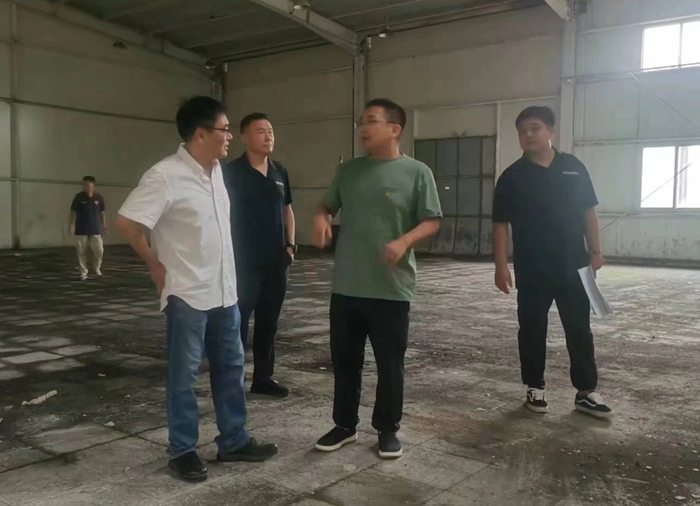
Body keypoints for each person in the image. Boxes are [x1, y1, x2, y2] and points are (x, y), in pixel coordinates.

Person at [115, 96, 277, 483]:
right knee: (184, 376)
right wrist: (154, 263)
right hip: (187, 292)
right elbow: (127, 222)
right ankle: (183, 449)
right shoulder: (165, 175)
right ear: (201, 133)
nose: (229, 137)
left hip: (225, 292)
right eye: (224, 129)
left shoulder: (217, 172)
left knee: (232, 369)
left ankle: (234, 440)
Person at [311, 98, 442, 459]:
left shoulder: (417, 172)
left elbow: (431, 220)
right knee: (345, 362)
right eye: (361, 121)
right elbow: (326, 205)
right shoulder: (349, 171)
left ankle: (387, 429)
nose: (363, 128)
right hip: (347, 285)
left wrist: (404, 241)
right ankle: (344, 425)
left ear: (394, 129)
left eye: (371, 121)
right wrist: (321, 218)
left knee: (390, 364)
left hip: (391, 288)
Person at [492, 105, 612, 419]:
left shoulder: (573, 167)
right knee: (532, 329)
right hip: (532, 268)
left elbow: (588, 211)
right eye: (522, 131)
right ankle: (535, 386)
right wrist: (501, 266)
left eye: (534, 128)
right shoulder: (512, 177)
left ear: (550, 131)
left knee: (579, 329)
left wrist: (595, 251)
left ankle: (586, 392)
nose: (528, 135)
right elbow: (500, 225)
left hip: (575, 265)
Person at [223, 113, 294, 398]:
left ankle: (263, 378)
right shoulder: (230, 173)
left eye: (271, 131)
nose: (268, 136)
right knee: (237, 321)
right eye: (261, 131)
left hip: (276, 261)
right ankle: (233, 380)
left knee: (269, 322)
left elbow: (287, 209)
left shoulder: (279, 171)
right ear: (244, 137)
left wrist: (290, 245)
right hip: (243, 262)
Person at [69, 176, 106, 280]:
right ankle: (83, 272)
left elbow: (102, 213)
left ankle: (97, 267)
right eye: (83, 184)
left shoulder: (98, 197)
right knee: (81, 252)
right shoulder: (78, 197)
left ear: (93, 186)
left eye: (87, 184)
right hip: (81, 229)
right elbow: (72, 212)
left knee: (99, 250)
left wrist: (104, 225)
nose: (85, 186)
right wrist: (71, 226)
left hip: (95, 229)